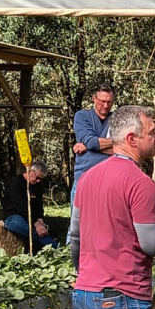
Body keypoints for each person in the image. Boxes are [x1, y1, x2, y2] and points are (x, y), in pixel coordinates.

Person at [69, 105, 155, 309]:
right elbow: (151, 245)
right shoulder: (140, 183)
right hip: (123, 298)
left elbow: (75, 236)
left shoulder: (87, 178)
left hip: (85, 293)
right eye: (151, 132)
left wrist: (84, 274)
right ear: (132, 139)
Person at [69, 83, 115, 239]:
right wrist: (112, 143)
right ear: (94, 99)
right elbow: (91, 142)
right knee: (76, 227)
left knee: (104, 226)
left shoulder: (116, 119)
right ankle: (69, 260)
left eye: (109, 102)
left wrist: (90, 146)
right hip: (84, 178)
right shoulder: (82, 116)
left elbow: (126, 146)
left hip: (108, 180)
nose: (105, 105)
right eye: (102, 101)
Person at [2, 161, 59, 253]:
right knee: (36, 233)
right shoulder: (16, 182)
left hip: (32, 218)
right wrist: (36, 224)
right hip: (13, 217)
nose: (38, 181)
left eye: (41, 179)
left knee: (46, 230)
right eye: (37, 178)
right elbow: (21, 207)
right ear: (30, 171)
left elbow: (39, 205)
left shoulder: (38, 186)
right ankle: (55, 247)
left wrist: (40, 219)